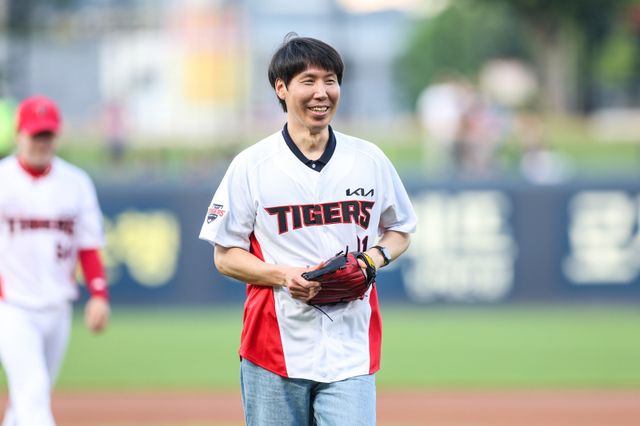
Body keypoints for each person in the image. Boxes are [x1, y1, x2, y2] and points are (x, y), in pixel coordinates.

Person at [199, 34, 417, 425]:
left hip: (351, 347)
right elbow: (225, 255)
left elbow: (400, 229)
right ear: (281, 88)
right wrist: (284, 275)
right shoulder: (252, 165)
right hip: (273, 349)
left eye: (330, 80)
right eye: (309, 81)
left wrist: (371, 259)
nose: (322, 92)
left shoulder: (368, 159)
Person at [0, 95, 110, 426]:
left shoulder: (75, 183)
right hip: (12, 306)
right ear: (19, 135)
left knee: (29, 398)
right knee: (33, 394)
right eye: (36, 134)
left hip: (57, 308)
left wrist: (99, 294)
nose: (42, 142)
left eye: (47, 134)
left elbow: (88, 246)